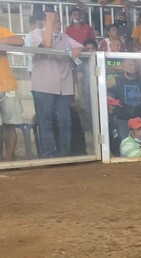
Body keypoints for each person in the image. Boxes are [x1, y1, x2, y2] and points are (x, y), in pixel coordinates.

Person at [30, 11, 84, 158]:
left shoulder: (64, 37)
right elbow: (47, 45)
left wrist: (78, 49)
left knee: (65, 121)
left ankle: (64, 153)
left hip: (63, 88)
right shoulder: (37, 33)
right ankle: (49, 154)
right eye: (53, 21)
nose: (57, 23)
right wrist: (47, 23)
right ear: (45, 22)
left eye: (59, 21)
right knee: (45, 122)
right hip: (43, 86)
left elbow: (82, 48)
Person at [107, 59, 141, 149]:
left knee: (140, 145)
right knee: (124, 144)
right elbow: (98, 86)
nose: (133, 67)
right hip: (122, 119)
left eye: (134, 64)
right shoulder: (117, 80)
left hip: (139, 119)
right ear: (123, 67)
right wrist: (107, 98)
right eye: (130, 64)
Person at [0, 25, 23, 161]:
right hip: (7, 85)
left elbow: (19, 41)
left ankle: (9, 161)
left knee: (10, 125)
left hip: (8, 85)